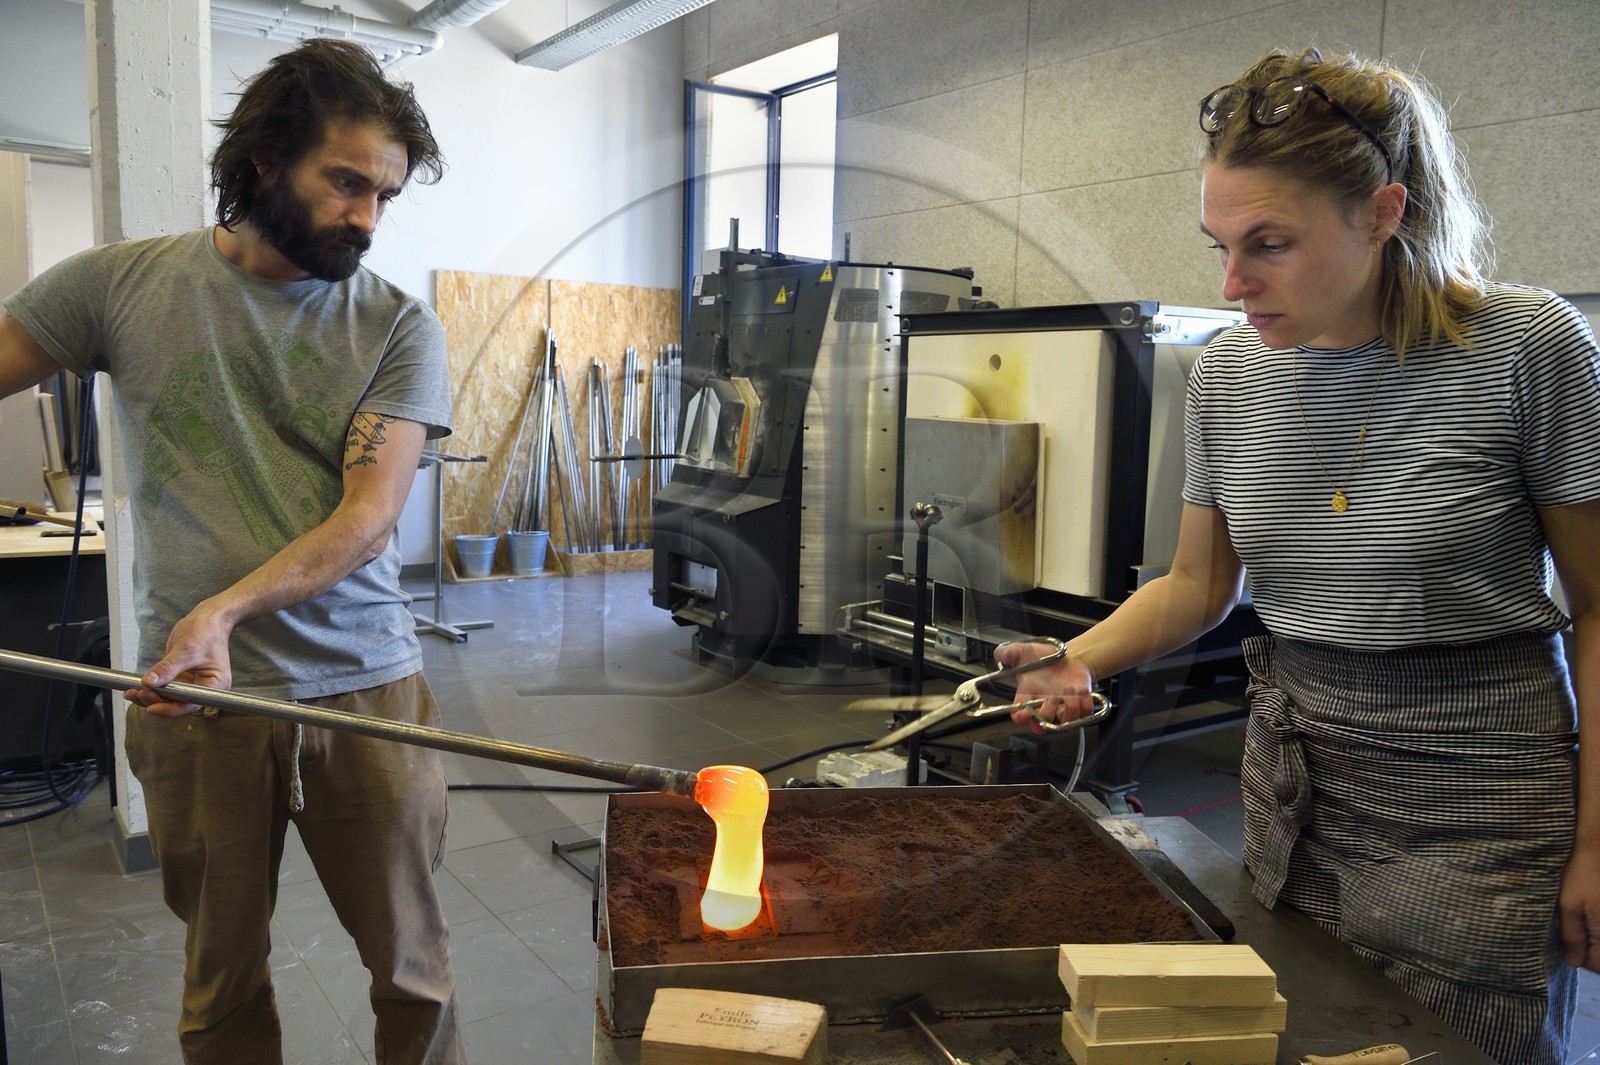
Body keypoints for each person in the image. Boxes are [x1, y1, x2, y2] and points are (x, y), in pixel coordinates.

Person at [1002, 47, 1600, 1065]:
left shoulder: (1525, 346)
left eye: (1269, 244)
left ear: (1383, 213)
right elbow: (1199, 583)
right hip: (1292, 781)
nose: (1234, 284)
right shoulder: (1229, 373)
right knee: (1303, 1033)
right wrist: (1081, 657)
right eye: (1220, 245)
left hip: (1477, 793)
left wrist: (1596, 840)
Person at [0, 39, 466, 1065]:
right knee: (220, 983)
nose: (366, 217)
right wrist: (206, 633)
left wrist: (223, 611)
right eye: (347, 183)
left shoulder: (397, 326)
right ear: (263, 160)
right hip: (198, 709)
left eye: (384, 195)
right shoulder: (118, 286)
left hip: (362, 690)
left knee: (412, 974)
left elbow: (368, 516)